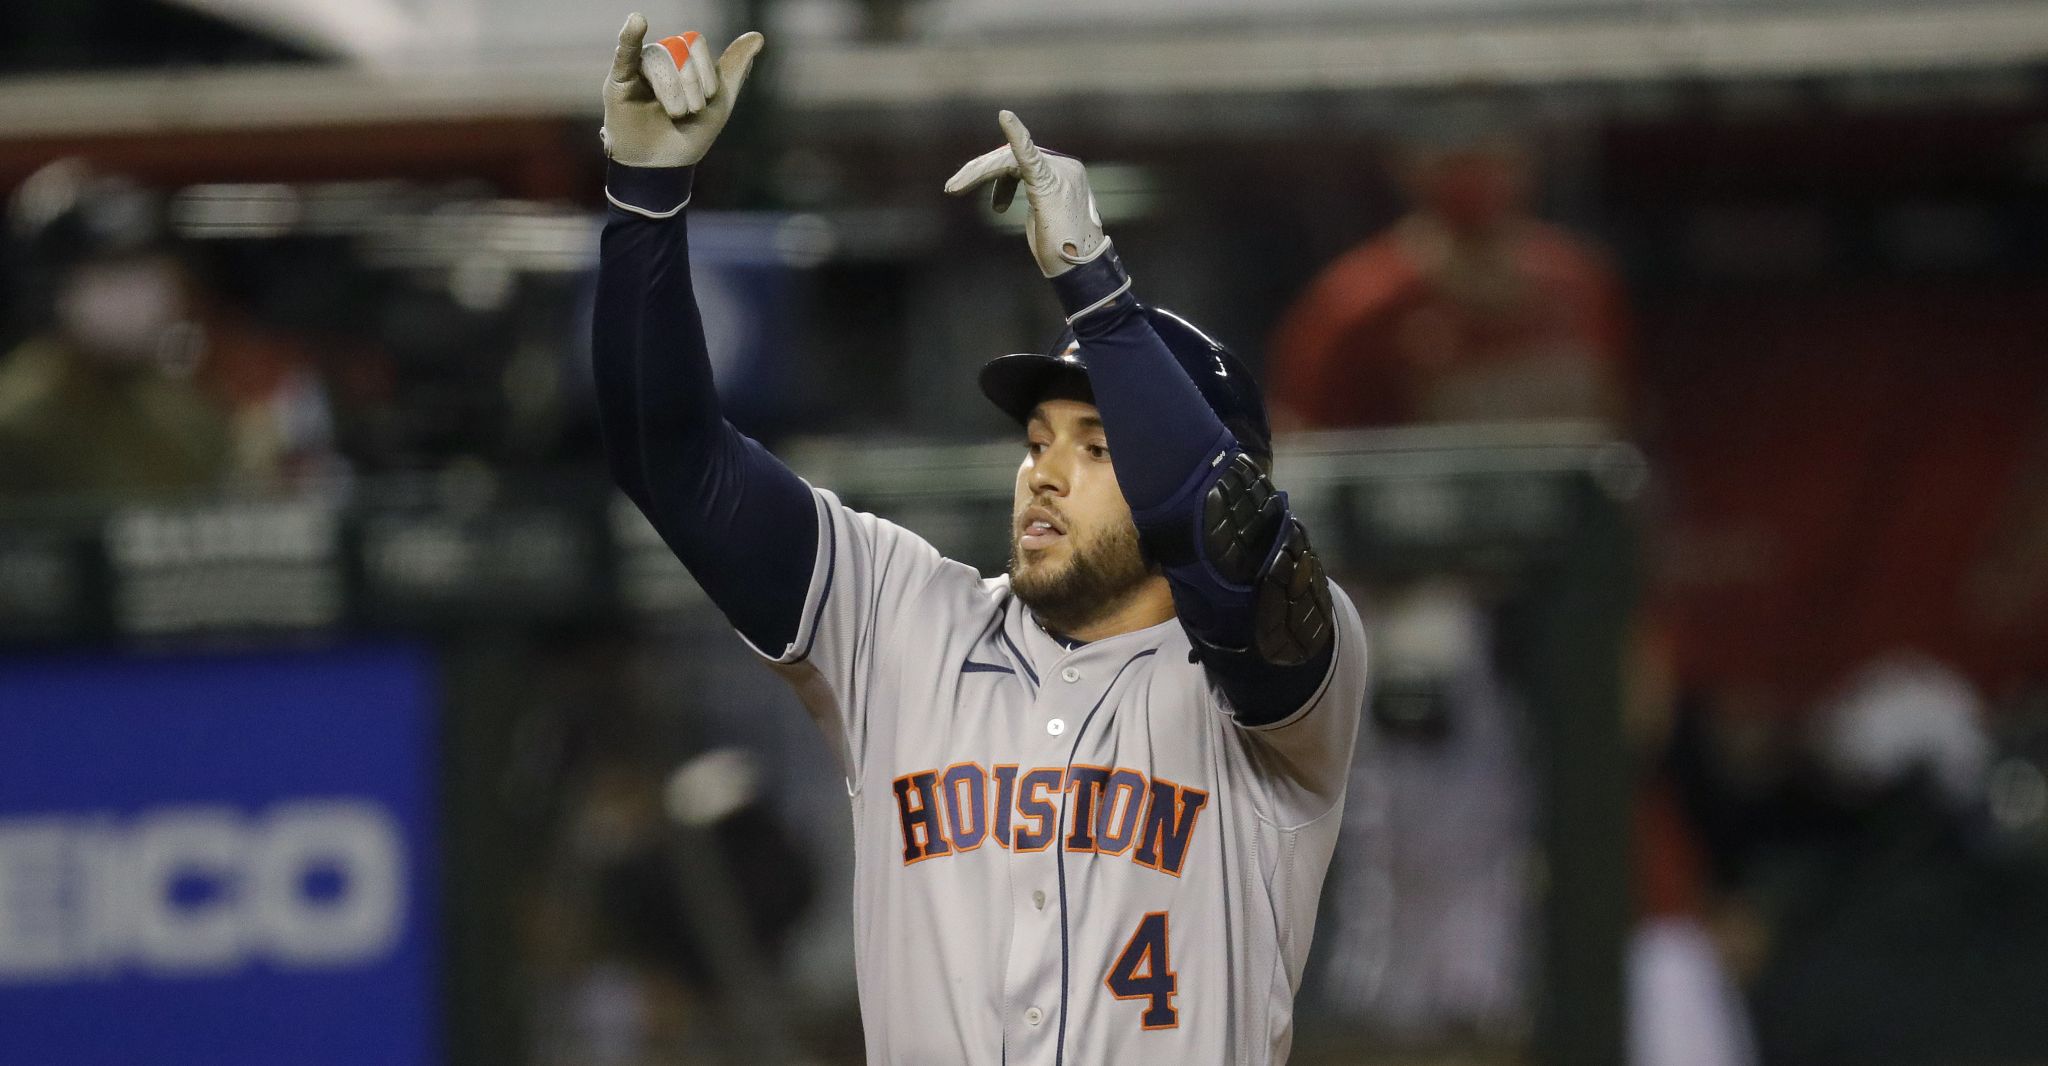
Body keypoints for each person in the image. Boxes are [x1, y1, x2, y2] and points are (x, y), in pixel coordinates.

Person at [591, 16, 1370, 1065]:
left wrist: (1098, 290)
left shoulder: (1278, 690)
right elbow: (671, 461)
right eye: (1038, 438)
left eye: (1097, 446)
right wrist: (645, 201)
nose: (1045, 470)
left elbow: (1219, 533)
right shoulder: (899, 618)